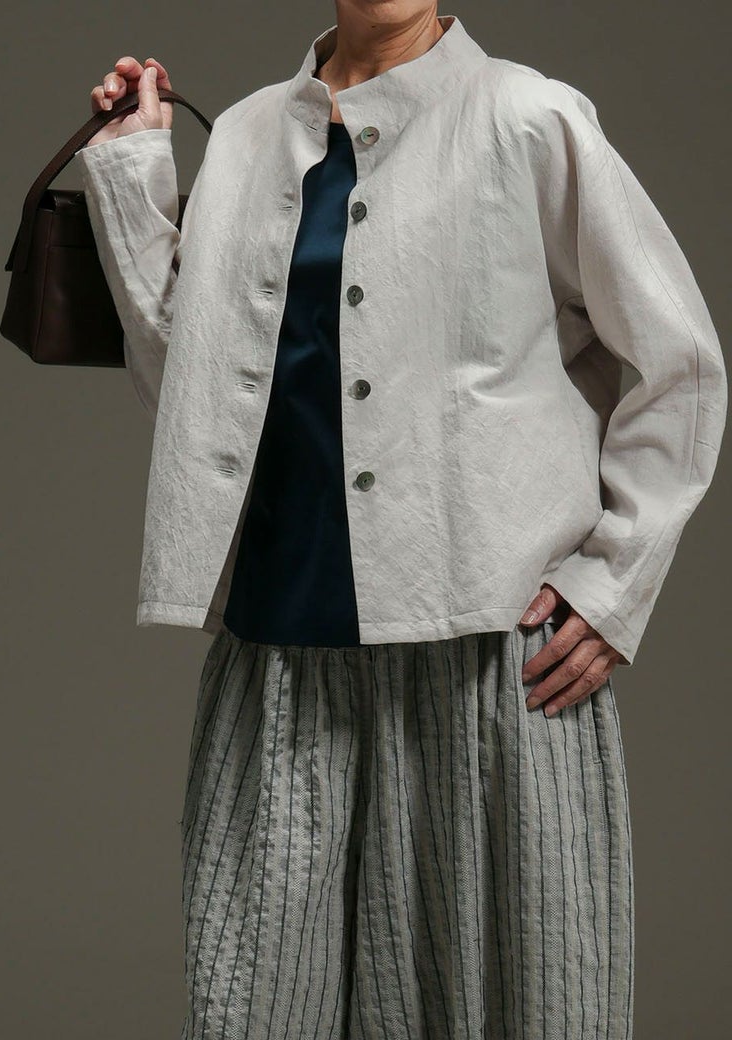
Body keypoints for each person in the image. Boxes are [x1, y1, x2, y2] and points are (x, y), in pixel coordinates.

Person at [74, 3, 727, 1038]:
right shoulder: (245, 133)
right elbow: (192, 382)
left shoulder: (528, 117)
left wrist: (611, 583)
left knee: (512, 1007)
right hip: (278, 653)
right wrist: (131, 167)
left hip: (486, 661)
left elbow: (678, 364)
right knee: (255, 1007)